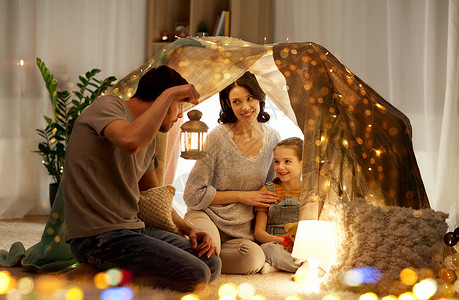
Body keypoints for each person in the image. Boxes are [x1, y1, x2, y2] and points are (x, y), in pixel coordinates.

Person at [64, 65, 221, 292]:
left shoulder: (150, 138)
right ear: (162, 99)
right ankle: (86, 276)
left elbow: (153, 196)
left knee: (211, 263)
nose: (180, 115)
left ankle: (101, 273)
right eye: (179, 105)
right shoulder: (108, 107)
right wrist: (169, 94)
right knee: (195, 275)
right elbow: (130, 142)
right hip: (97, 238)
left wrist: (190, 229)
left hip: (133, 230)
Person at [183, 71, 281, 274]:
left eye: (250, 98)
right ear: (228, 104)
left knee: (254, 259)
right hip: (207, 215)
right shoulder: (217, 137)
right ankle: (198, 253)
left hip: (242, 232)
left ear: (260, 97)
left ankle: (196, 255)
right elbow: (192, 195)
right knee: (210, 245)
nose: (245, 107)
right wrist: (243, 196)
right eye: (236, 102)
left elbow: (271, 188)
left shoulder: (274, 139)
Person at [254, 137, 303, 274]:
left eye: (287, 161)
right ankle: (305, 268)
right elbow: (259, 233)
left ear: (302, 164)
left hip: (299, 244)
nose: (280, 167)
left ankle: (277, 266)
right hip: (275, 243)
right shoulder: (268, 191)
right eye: (276, 161)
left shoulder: (308, 193)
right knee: (267, 249)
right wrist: (282, 241)